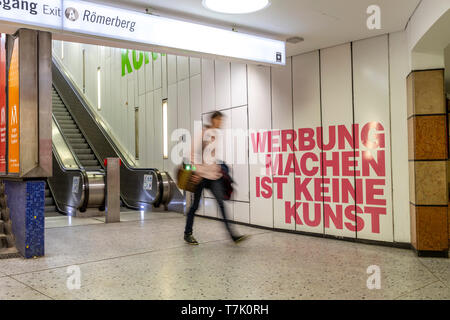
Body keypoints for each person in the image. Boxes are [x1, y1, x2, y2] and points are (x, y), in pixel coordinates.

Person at [184, 111, 247, 245]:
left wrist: (218, 167)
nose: (221, 123)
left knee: (221, 204)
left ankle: (233, 235)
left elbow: (210, 156)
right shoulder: (202, 133)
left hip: (213, 176)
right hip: (200, 177)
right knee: (195, 206)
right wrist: (196, 172)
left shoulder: (215, 135)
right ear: (213, 120)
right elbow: (191, 154)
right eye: (219, 120)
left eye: (222, 121)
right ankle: (187, 233)